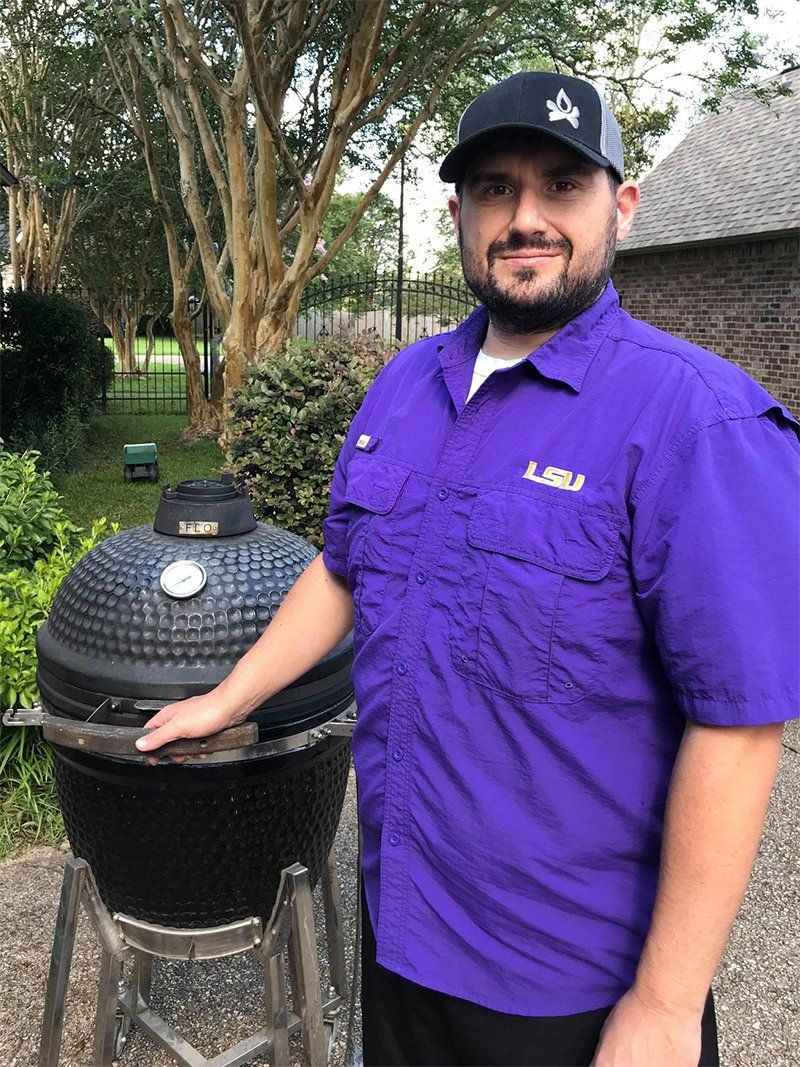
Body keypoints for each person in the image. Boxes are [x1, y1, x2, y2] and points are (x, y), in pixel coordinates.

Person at [135, 71, 800, 1067]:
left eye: (560, 185)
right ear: (457, 212)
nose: (523, 217)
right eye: (493, 188)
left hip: (563, 971)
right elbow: (345, 568)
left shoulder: (698, 420)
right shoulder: (406, 383)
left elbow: (738, 720)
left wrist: (665, 1003)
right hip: (401, 919)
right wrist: (228, 695)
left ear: (619, 205)